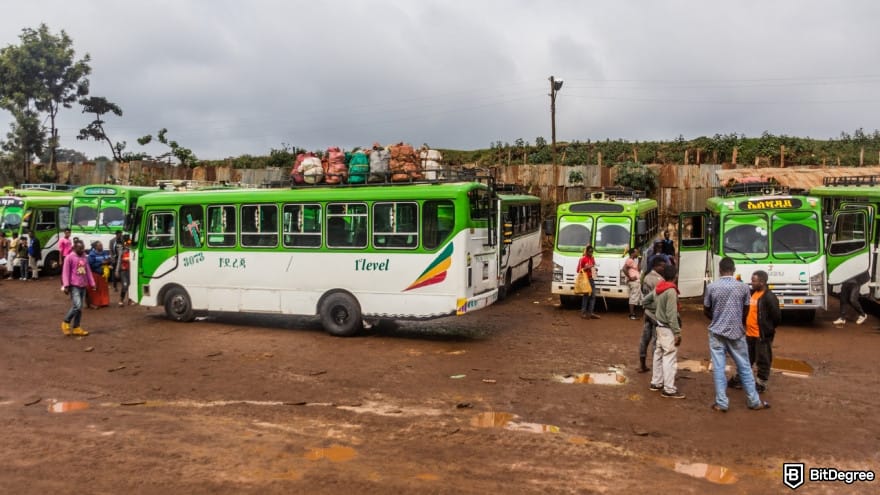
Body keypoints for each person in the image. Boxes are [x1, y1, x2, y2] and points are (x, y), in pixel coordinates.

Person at [704, 257, 770, 412]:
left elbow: (706, 309)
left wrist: (718, 318)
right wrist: (737, 322)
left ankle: (721, 403)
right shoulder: (743, 288)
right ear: (733, 270)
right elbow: (746, 310)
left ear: (720, 270)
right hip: (737, 332)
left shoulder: (712, 287)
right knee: (745, 366)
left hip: (716, 332)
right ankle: (754, 401)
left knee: (719, 368)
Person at [729, 270, 781, 392]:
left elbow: (777, 317)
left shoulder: (769, 297)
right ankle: (740, 379)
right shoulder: (752, 294)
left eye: (754, 281)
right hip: (749, 334)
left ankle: (760, 383)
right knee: (746, 358)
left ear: (762, 282)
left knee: (763, 360)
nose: (752, 283)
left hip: (761, 335)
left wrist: (767, 330)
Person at [644, 264, 684, 398]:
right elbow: (672, 315)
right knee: (669, 357)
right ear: (675, 276)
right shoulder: (671, 291)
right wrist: (677, 332)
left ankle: (656, 382)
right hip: (667, 329)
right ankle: (669, 389)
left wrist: (656, 309)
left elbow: (645, 301)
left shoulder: (659, 287)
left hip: (659, 326)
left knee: (659, 354)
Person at [61, 238, 96, 336]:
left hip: (83, 285)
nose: (82, 250)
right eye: (80, 249)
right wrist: (66, 285)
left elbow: (88, 271)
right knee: (78, 305)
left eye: (83, 249)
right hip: (74, 285)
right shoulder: (69, 258)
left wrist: (92, 283)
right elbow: (65, 272)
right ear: (74, 248)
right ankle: (66, 322)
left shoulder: (84, 258)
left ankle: (76, 327)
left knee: (79, 308)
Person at [639, 256, 667, 373]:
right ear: (656, 266)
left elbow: (645, 296)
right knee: (656, 342)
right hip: (656, 315)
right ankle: (657, 371)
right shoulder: (660, 280)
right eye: (662, 266)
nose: (663, 268)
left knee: (645, 339)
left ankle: (642, 365)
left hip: (647, 313)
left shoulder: (646, 277)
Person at [87, 241, 112, 308]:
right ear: (95, 247)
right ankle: (95, 302)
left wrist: (109, 261)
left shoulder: (105, 253)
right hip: (95, 274)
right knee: (95, 289)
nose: (101, 246)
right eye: (99, 245)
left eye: (101, 245)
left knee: (104, 289)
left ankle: (104, 302)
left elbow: (109, 260)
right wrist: (101, 263)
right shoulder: (92, 254)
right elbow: (90, 264)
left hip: (104, 274)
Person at [577, 244, 599, 319]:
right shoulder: (582, 259)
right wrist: (586, 268)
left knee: (593, 296)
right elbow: (579, 270)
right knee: (586, 296)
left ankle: (591, 313)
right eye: (589, 252)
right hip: (585, 279)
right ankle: (583, 313)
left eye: (592, 252)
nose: (591, 253)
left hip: (592, 279)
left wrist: (595, 271)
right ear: (586, 252)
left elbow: (593, 268)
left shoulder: (592, 258)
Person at [623, 248, 641, 320]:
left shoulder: (633, 261)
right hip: (633, 282)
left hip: (635, 282)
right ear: (632, 253)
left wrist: (639, 261)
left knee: (633, 297)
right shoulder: (629, 260)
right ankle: (631, 314)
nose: (637, 254)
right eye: (636, 252)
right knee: (633, 297)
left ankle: (632, 314)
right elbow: (624, 269)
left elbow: (638, 270)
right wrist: (630, 277)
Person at [116, 236, 132, 306]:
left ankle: (130, 300)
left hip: (131, 271)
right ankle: (121, 300)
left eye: (129, 242)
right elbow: (119, 261)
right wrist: (116, 271)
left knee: (131, 286)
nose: (128, 244)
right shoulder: (121, 251)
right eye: (126, 242)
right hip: (123, 271)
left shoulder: (132, 250)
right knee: (125, 285)